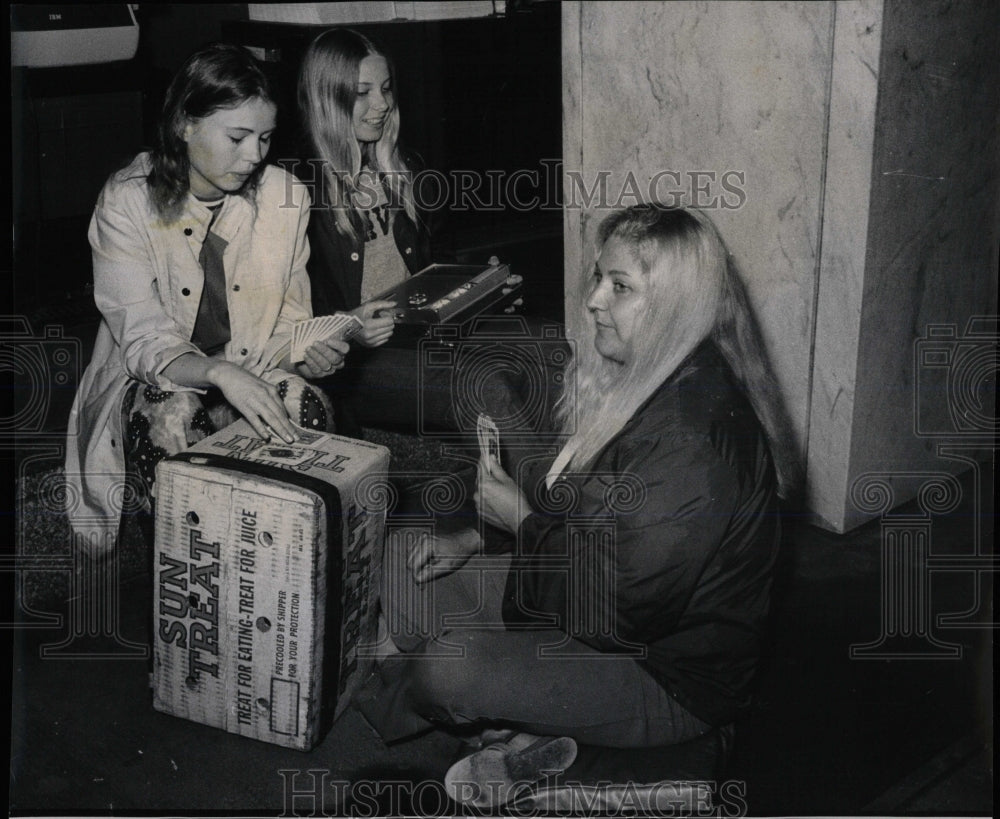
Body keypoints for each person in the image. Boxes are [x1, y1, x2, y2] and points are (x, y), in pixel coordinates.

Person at [363, 204, 799, 809]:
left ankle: (626, 756)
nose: (594, 299)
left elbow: (620, 611)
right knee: (407, 557)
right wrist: (480, 540)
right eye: (599, 277)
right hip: (580, 602)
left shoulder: (693, 439)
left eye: (620, 287)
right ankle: (526, 728)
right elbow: (581, 516)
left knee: (446, 669)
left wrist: (517, 520)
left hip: (664, 676)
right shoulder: (648, 374)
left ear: (675, 304)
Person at [65, 43, 345, 549]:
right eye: (237, 137)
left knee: (307, 406)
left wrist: (307, 354)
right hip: (157, 381)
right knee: (169, 414)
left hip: (250, 370)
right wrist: (218, 373)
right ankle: (186, 578)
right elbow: (144, 341)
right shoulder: (127, 200)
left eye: (264, 138)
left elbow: (286, 325)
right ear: (184, 125)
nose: (255, 155)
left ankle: (281, 574)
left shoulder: (286, 197)